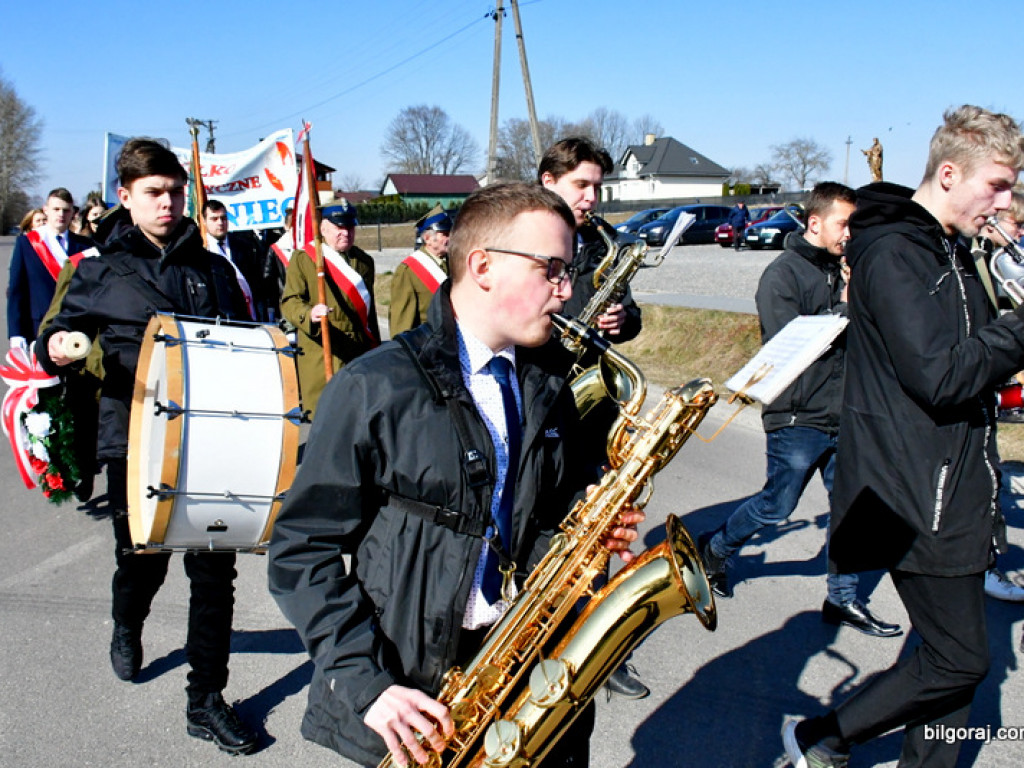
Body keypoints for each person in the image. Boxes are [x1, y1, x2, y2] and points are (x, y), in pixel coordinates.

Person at [268, 182, 644, 767]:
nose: (567, 291)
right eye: (552, 269)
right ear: (483, 266)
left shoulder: (552, 381)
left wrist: (587, 525)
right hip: (410, 685)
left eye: (568, 271)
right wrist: (367, 685)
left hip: (526, 665)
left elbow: (542, 508)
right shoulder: (374, 386)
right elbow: (301, 550)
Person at [784, 105, 1024, 768]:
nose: (1006, 202)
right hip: (917, 492)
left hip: (949, 481)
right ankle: (824, 736)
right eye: (999, 185)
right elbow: (942, 375)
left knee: (945, 653)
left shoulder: (943, 245)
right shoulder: (896, 250)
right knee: (961, 659)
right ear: (950, 173)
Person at [35, 138, 258, 755]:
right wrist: (57, 345)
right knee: (144, 560)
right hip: (134, 438)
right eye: (154, 192)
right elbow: (58, 328)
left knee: (216, 573)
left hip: (212, 438)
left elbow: (247, 340)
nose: (168, 203)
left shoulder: (213, 269)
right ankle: (128, 621)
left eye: (176, 192)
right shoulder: (96, 269)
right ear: (126, 197)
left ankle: (206, 699)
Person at [697, 182, 902, 639]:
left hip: (847, 412)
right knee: (777, 504)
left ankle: (842, 598)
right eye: (843, 223)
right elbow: (789, 343)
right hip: (798, 413)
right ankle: (715, 549)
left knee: (850, 509)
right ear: (815, 222)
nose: (850, 233)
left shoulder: (850, 269)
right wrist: (846, 306)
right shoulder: (782, 275)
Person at [538, 136, 648, 699]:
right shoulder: (524, 235)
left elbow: (634, 320)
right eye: (581, 185)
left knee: (598, 522)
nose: (591, 198)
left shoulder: (602, 243)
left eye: (597, 188)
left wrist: (622, 316)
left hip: (594, 407)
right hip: (537, 395)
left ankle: (593, 644)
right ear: (548, 181)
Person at [279, 199, 379, 417]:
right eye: (339, 227)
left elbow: (369, 315)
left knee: (359, 418)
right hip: (324, 349)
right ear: (323, 228)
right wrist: (309, 314)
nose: (345, 233)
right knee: (328, 419)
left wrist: (376, 350)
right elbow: (290, 301)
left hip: (358, 352)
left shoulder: (364, 261)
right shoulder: (305, 259)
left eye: (350, 227)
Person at [7, 188, 92, 349]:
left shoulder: (85, 245)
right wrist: (15, 333)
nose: (61, 214)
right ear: (46, 210)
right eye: (56, 209)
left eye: (66, 210)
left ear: (73, 212)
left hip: (76, 326)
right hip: (38, 327)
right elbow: (17, 291)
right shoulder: (27, 244)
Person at [202, 199, 278, 321]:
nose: (220, 223)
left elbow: (256, 286)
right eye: (214, 219)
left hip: (247, 315)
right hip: (218, 318)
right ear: (204, 221)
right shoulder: (202, 250)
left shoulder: (244, 246)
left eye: (223, 218)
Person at [388, 208, 453, 335]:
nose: (450, 238)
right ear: (428, 238)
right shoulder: (408, 271)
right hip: (428, 348)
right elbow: (402, 324)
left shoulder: (452, 264)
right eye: (445, 234)